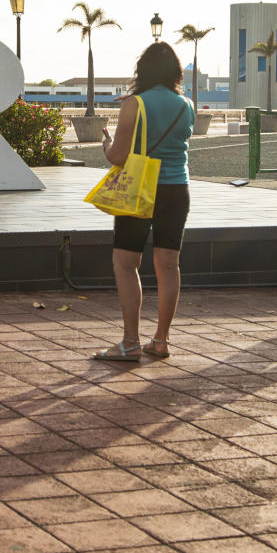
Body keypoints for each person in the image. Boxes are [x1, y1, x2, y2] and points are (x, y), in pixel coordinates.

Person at [92, 42, 194, 361]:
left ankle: (131, 343)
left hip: (141, 188)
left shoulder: (135, 104)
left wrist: (106, 146)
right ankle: (161, 340)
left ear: (143, 70)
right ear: (176, 72)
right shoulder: (186, 104)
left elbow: (119, 156)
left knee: (126, 263)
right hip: (177, 189)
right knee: (168, 264)